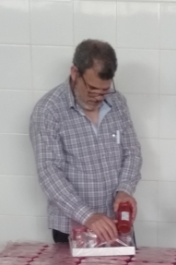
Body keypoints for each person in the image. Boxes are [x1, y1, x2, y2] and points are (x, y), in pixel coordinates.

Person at [30, 39, 142, 244]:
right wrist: (87, 215)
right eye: (92, 89)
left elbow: (132, 151)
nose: (98, 97)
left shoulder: (118, 102)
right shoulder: (48, 111)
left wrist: (125, 190)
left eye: (104, 90)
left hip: (117, 223)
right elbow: (49, 172)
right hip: (72, 227)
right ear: (75, 73)